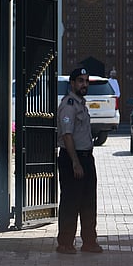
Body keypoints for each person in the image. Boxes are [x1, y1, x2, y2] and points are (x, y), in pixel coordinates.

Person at [56, 68, 103, 254]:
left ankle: (89, 241)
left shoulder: (81, 104)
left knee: (88, 202)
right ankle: (65, 243)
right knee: (71, 202)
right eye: (80, 81)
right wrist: (75, 162)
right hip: (72, 158)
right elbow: (67, 136)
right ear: (72, 83)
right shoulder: (68, 105)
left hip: (86, 157)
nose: (84, 84)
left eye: (86, 81)